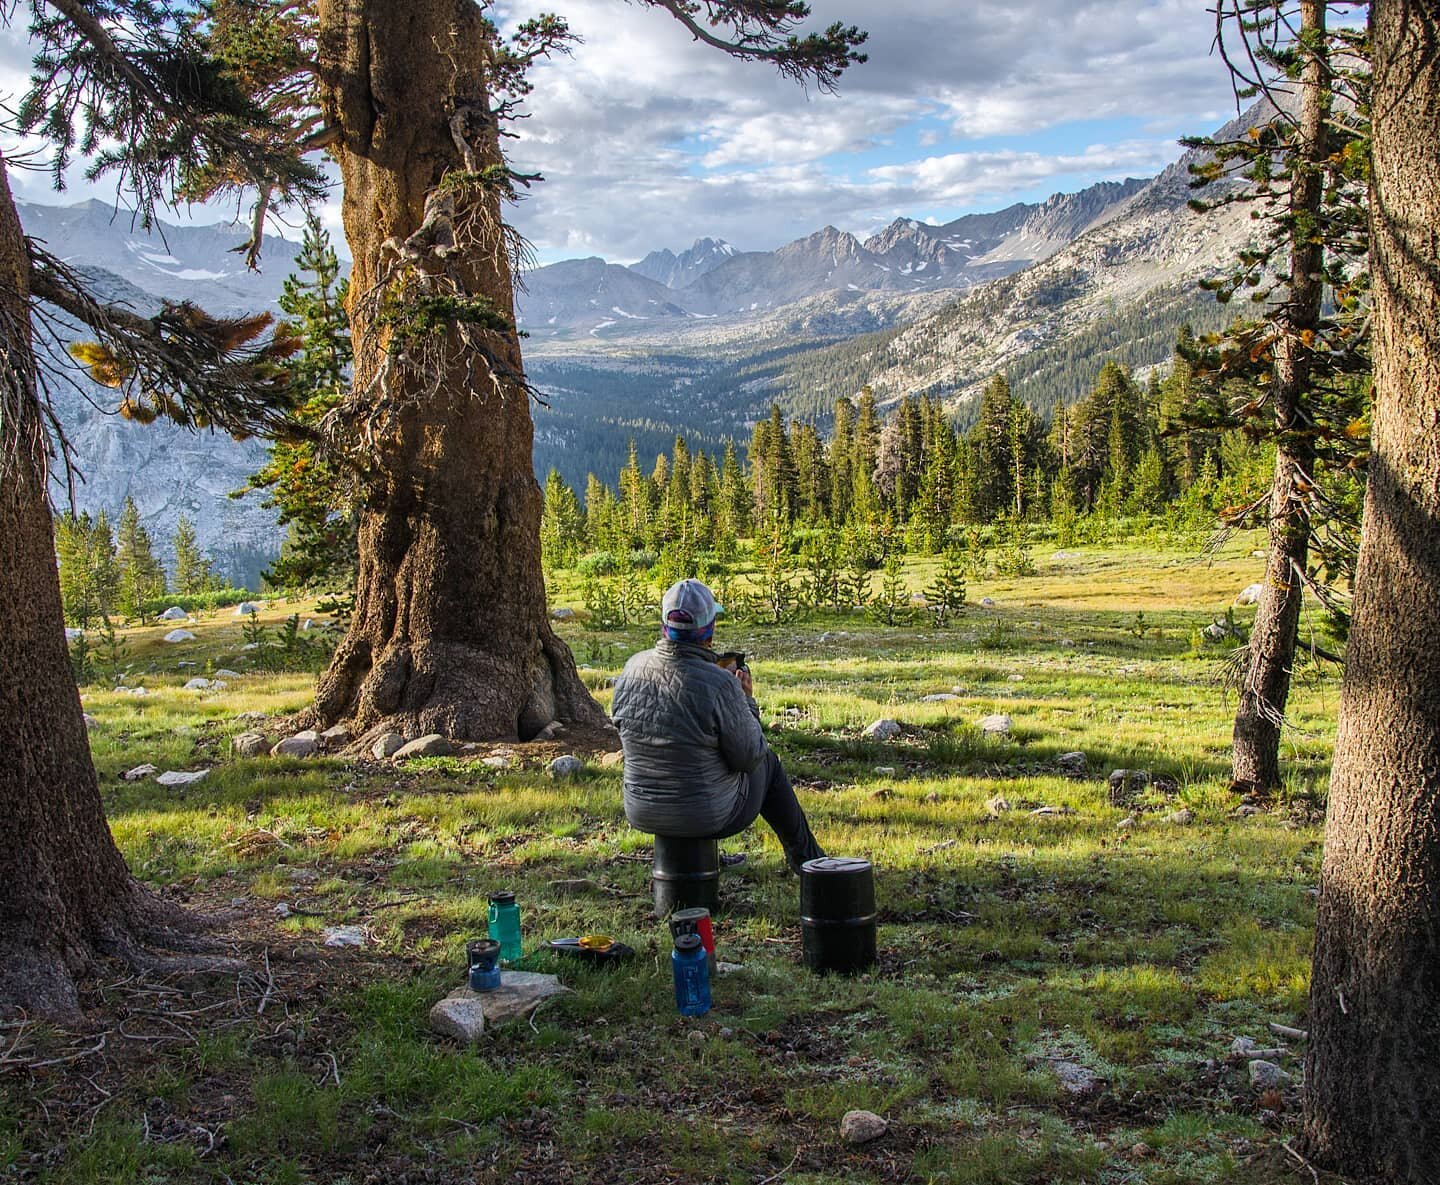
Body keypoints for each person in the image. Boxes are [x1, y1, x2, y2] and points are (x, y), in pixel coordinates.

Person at [611, 578, 825, 873]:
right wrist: (746, 701)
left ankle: (707, 860)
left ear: (664, 627)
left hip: (641, 808)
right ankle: (809, 860)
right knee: (769, 764)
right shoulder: (721, 684)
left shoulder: (631, 667)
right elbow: (749, 756)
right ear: (708, 633)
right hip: (706, 815)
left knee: (700, 765)